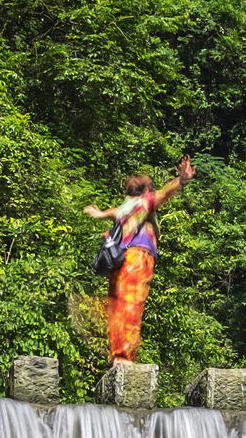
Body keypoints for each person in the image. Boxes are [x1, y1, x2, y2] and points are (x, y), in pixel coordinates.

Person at [82, 156, 193, 366]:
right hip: (137, 259)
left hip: (119, 261)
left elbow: (112, 212)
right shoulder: (145, 201)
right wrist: (181, 180)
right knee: (131, 306)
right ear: (146, 190)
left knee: (117, 307)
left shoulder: (125, 207)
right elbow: (164, 194)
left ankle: (117, 356)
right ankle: (125, 358)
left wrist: (98, 214)